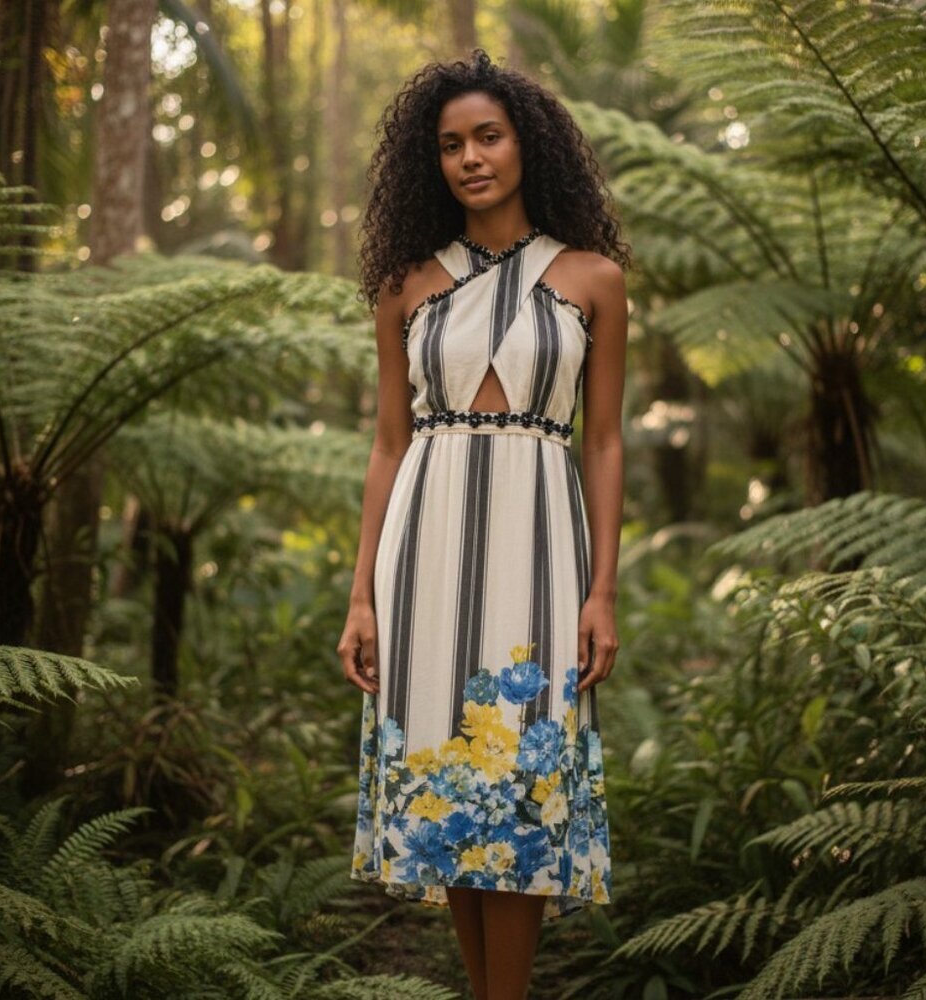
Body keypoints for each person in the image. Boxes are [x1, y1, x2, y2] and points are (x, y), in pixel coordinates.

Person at [337, 46, 630, 1000]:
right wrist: (361, 598)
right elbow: (388, 445)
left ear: (526, 145)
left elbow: (605, 443)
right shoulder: (406, 285)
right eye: (451, 144)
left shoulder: (594, 279)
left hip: (540, 549)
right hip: (422, 551)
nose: (470, 157)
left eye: (488, 137)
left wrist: (601, 591)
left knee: (520, 783)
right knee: (447, 800)